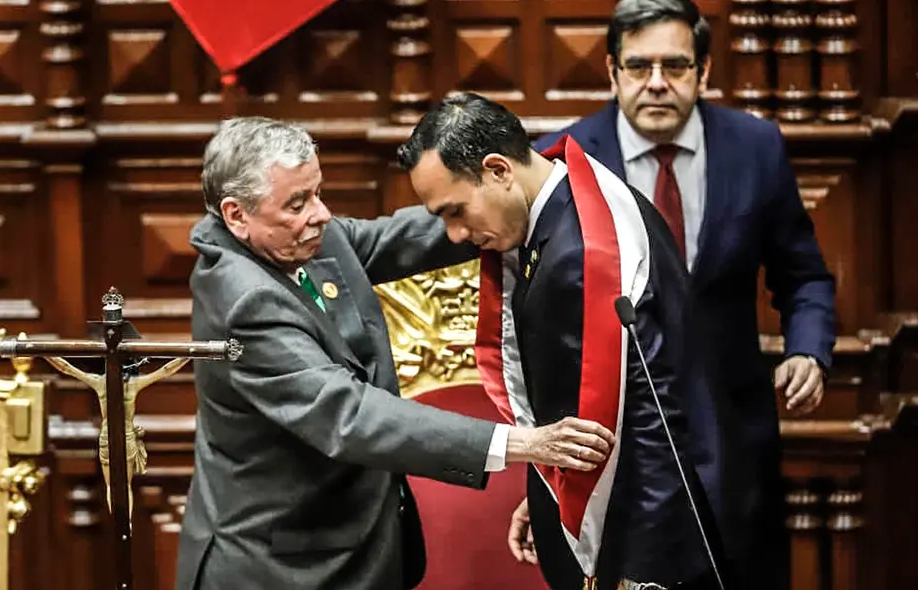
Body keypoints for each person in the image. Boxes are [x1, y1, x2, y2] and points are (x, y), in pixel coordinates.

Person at [174, 116, 618, 590]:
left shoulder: (297, 237)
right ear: (236, 215)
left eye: (317, 193)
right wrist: (520, 443)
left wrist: (520, 182)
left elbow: (403, 237)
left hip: (354, 544)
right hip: (279, 566)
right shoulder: (242, 300)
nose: (321, 214)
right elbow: (348, 413)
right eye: (297, 203)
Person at [533, 1, 837, 587]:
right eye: (639, 66)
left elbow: (803, 275)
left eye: (675, 66)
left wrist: (808, 348)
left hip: (736, 429)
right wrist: (545, 477)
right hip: (618, 445)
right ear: (612, 71)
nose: (656, 83)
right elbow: (543, 323)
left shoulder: (755, 147)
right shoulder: (564, 160)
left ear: (704, 70)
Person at [398, 92, 723, 590]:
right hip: (606, 513)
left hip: (638, 547)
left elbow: (652, 419)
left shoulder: (582, 256)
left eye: (455, 210)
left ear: (498, 170)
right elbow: (577, 406)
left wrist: (641, 575)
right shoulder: (575, 207)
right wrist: (549, 492)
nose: (455, 234)